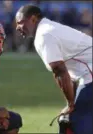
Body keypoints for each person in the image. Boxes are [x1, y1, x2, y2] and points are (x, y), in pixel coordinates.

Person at [15, 4, 92, 134]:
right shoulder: (48, 29)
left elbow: (59, 70)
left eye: (20, 22)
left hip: (90, 73)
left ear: (33, 19)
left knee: (74, 120)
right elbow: (68, 73)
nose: (17, 27)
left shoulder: (44, 35)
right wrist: (70, 103)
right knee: (71, 119)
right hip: (87, 73)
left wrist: (70, 104)